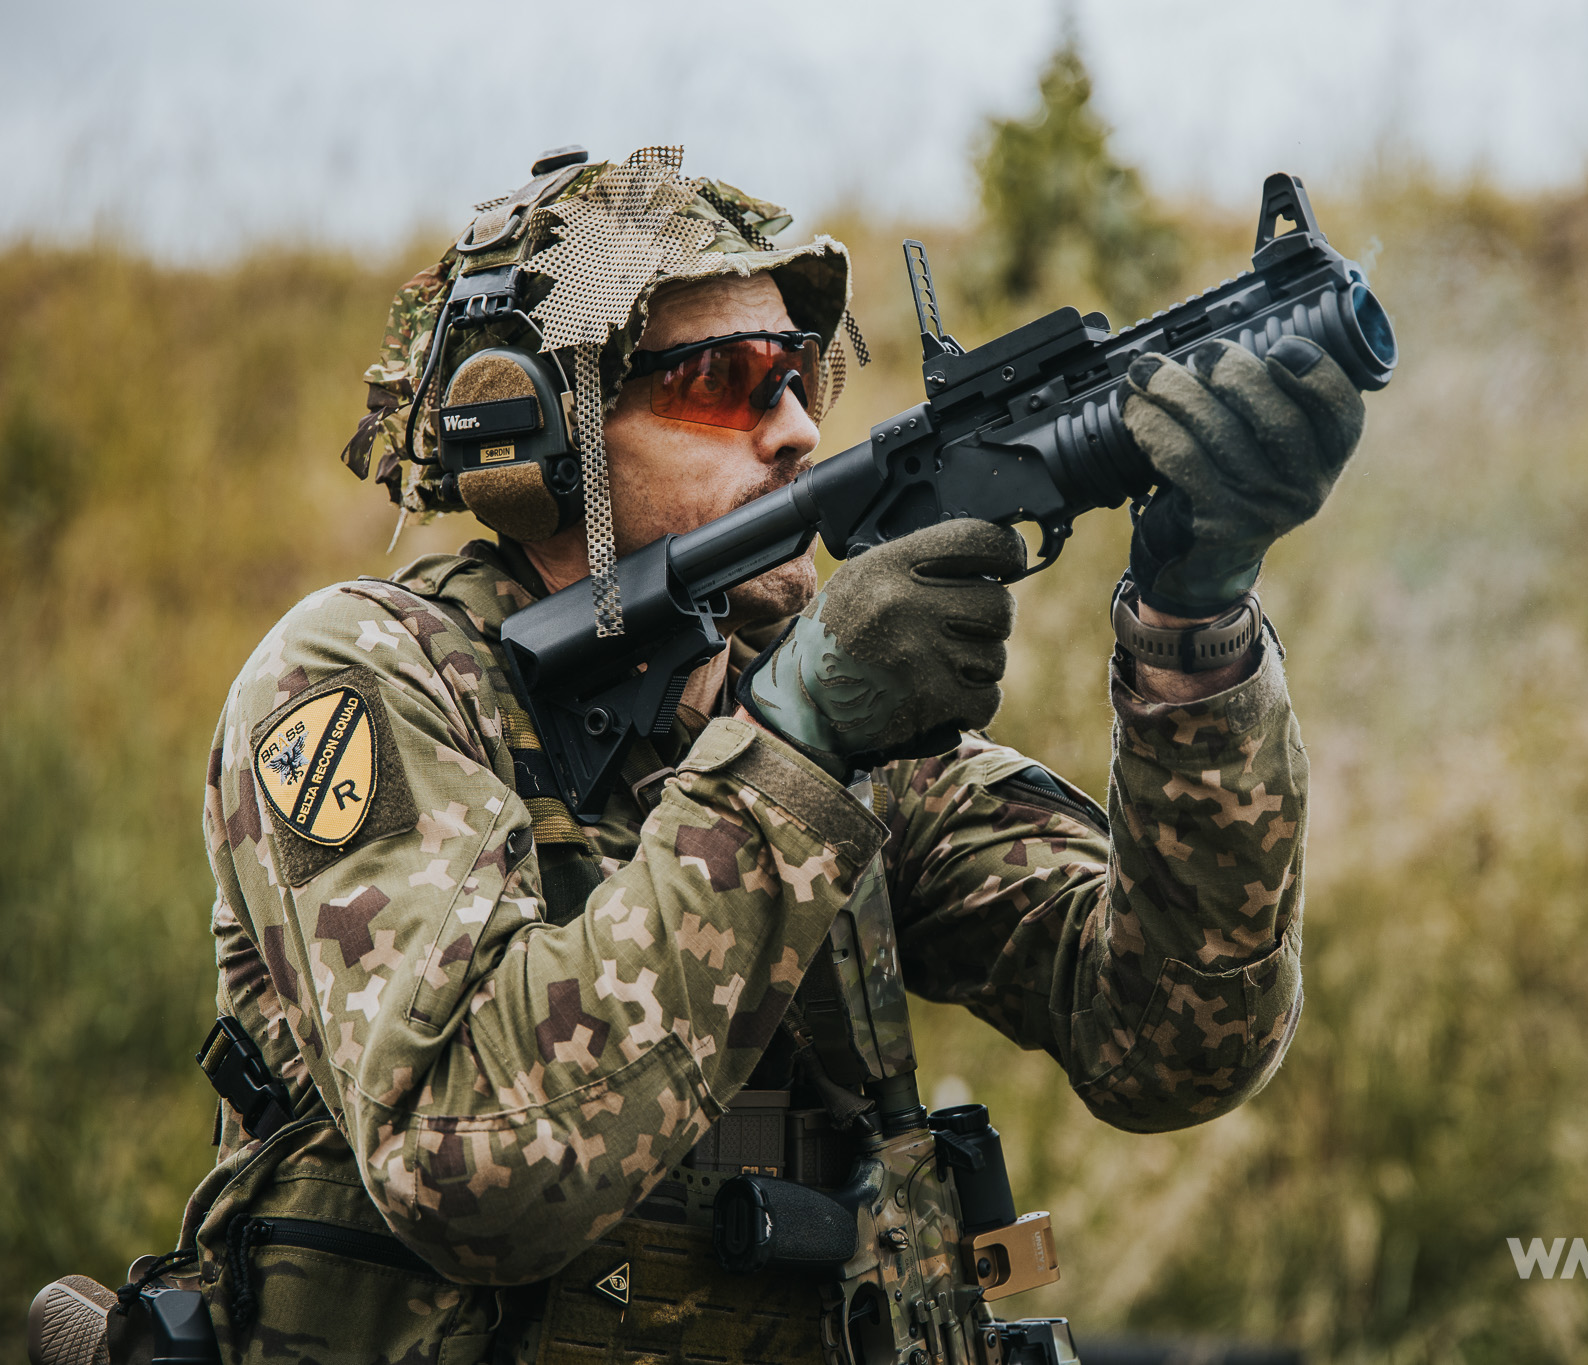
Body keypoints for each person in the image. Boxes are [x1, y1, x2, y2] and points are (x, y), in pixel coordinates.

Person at [78, 145, 1367, 1364]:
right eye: (720, 381)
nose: (797, 427)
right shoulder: (368, 679)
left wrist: (1197, 634)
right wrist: (795, 750)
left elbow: (1173, 1038)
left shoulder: (811, 708)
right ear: (533, 431)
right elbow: (473, 1163)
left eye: (800, 372)